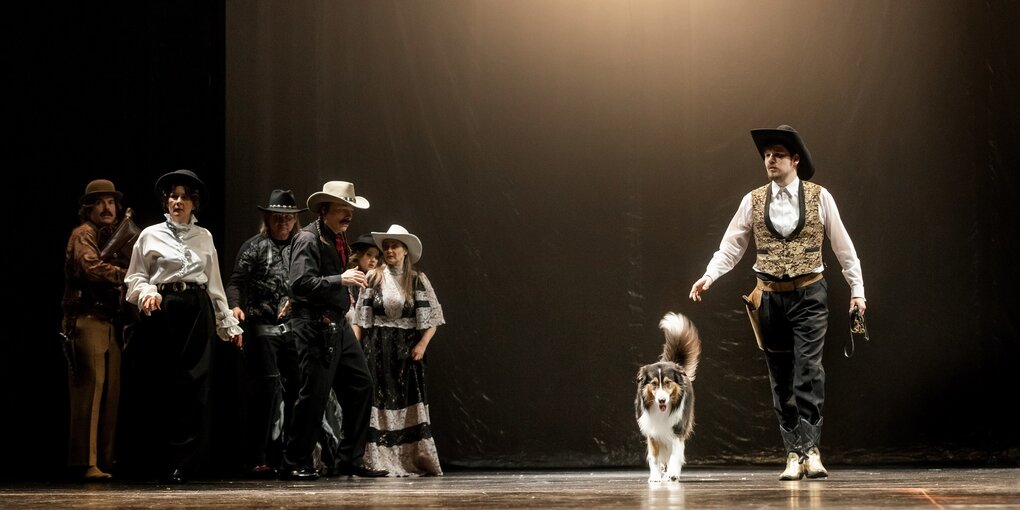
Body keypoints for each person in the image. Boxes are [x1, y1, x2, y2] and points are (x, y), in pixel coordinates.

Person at [688, 125, 866, 481]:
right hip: (769, 298)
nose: (770, 159)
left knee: (809, 371)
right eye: (767, 155)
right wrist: (709, 275)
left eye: (778, 154)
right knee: (780, 376)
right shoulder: (752, 201)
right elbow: (732, 245)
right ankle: (792, 454)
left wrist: (857, 291)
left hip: (810, 295)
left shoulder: (820, 197)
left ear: (795, 160)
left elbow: (843, 247)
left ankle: (812, 450)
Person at [123, 169, 243, 483]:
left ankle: (184, 462)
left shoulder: (204, 237)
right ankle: (156, 459)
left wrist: (227, 322)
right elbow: (134, 278)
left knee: (195, 385)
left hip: (196, 308)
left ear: (194, 203)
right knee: (162, 382)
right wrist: (147, 292)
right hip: (163, 308)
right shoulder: (149, 234)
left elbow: (214, 282)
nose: (178, 202)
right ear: (167, 201)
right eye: (173, 196)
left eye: (184, 197)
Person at [282, 180, 388, 480]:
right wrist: (337, 280)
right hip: (314, 325)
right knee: (314, 395)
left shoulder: (338, 238)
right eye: (342, 209)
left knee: (361, 385)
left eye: (350, 210)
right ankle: (294, 462)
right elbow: (298, 284)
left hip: (336, 324)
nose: (348, 215)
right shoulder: (308, 239)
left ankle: (348, 460)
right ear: (325, 209)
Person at [352, 224, 445, 476]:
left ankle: (411, 458)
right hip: (377, 349)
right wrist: (357, 350)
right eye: (386, 246)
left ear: (405, 250)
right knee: (378, 400)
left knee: (407, 401)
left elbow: (433, 318)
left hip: (406, 351)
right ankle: (379, 459)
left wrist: (422, 345)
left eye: (394, 246)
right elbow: (361, 318)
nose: (389, 250)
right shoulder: (374, 276)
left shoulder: (416, 279)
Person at [225, 189, 306, 479]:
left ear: (295, 220)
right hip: (263, 328)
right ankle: (256, 457)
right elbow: (236, 281)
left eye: (288, 218)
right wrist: (235, 307)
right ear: (268, 220)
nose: (283, 223)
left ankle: (289, 457)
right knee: (268, 391)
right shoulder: (255, 247)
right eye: (277, 218)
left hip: (294, 330)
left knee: (299, 390)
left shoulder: (301, 247)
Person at [61, 179, 130, 481]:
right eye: (100, 202)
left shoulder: (113, 236)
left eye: (111, 202)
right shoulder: (83, 234)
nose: (107, 208)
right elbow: (91, 268)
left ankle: (104, 460)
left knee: (111, 393)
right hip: (87, 319)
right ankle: (85, 462)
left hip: (110, 321)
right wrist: (129, 275)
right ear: (88, 207)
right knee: (91, 390)